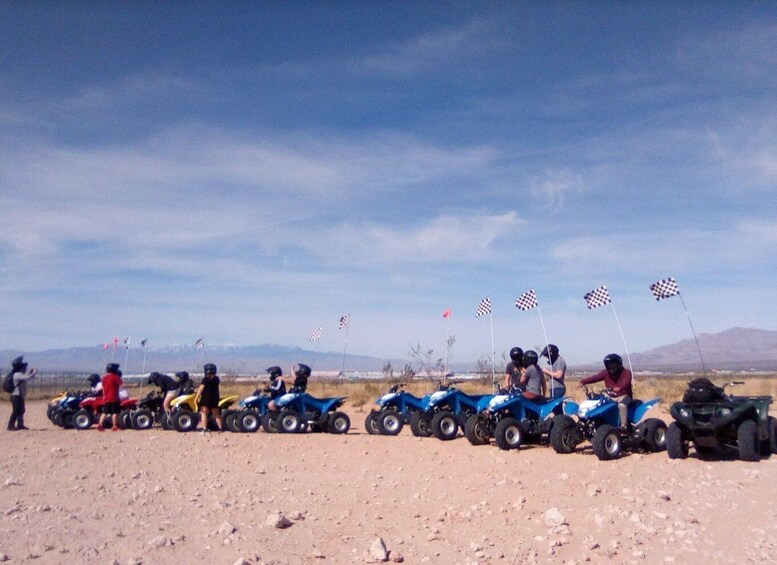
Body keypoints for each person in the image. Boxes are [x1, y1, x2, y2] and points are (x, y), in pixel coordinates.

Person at [579, 353, 633, 430]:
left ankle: (623, 427)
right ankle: (595, 421)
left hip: (624, 395)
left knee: (622, 406)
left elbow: (626, 382)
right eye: (609, 364)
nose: (611, 366)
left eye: (613, 364)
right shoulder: (606, 373)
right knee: (597, 402)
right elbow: (596, 378)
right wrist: (584, 381)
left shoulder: (626, 372)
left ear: (618, 364)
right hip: (610, 395)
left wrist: (619, 388)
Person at [6, 356, 37, 431]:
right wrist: (34, 372)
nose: (25, 368)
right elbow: (28, 377)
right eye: (23, 367)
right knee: (16, 411)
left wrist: (30, 373)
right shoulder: (17, 374)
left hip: (19, 396)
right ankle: (10, 426)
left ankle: (20, 425)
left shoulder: (19, 374)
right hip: (16, 396)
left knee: (22, 410)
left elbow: (26, 376)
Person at [195, 363, 223, 432]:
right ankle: (220, 428)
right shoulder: (217, 379)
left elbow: (201, 388)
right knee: (216, 414)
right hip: (215, 398)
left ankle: (205, 429)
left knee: (204, 413)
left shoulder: (205, 379)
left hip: (206, 398)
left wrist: (196, 398)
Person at [97, 363, 122, 431]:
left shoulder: (104, 378)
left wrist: (104, 396)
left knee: (105, 412)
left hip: (106, 398)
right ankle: (114, 426)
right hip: (114, 398)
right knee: (115, 412)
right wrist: (133, 385)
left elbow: (103, 388)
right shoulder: (116, 377)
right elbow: (122, 385)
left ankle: (100, 424)